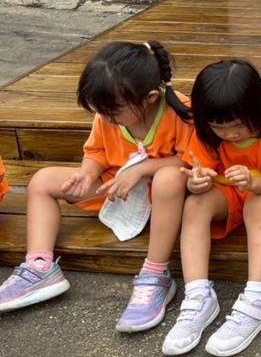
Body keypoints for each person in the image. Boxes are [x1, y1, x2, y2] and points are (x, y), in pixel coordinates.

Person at [0, 41, 191, 333]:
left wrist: (142, 170)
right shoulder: (108, 113)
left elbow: (191, 160)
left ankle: (155, 274)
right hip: (115, 189)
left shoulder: (180, 111)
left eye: (113, 112)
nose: (106, 117)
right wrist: (87, 175)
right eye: (100, 110)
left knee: (170, 177)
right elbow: (96, 151)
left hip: (167, 199)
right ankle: (40, 266)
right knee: (41, 181)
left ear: (150, 97)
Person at [162, 59, 261, 357]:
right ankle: (198, 295)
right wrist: (196, 182)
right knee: (195, 204)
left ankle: (258, 298)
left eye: (238, 126)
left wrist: (252, 183)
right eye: (219, 128)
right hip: (228, 187)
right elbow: (199, 175)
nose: (229, 135)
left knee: (257, 205)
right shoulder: (207, 130)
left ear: (258, 108)